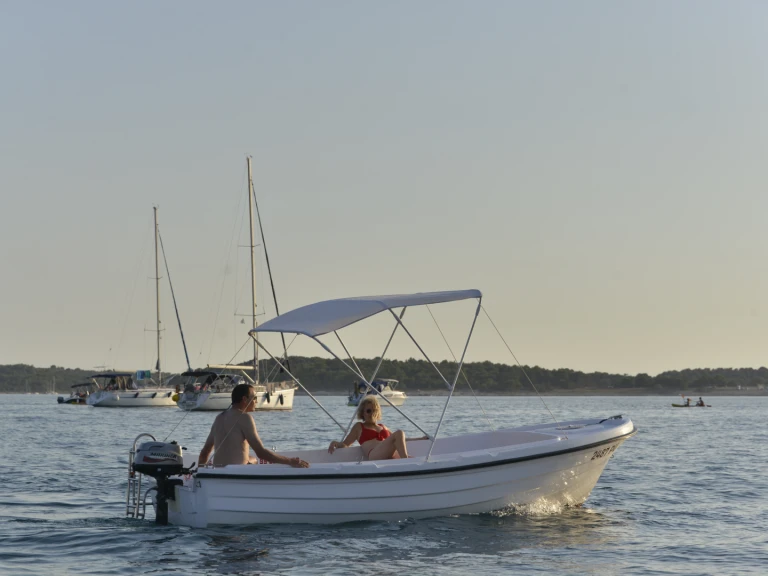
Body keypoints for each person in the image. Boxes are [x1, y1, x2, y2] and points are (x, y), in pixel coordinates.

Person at [198, 383, 309, 468]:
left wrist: (200, 474)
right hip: (236, 475)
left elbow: (204, 453)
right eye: (254, 397)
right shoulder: (245, 418)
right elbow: (261, 453)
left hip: (217, 474)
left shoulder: (219, 418)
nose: (256, 401)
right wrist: (290, 461)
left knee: (252, 459)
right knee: (254, 459)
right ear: (245, 399)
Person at [328, 396, 427, 460]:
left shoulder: (382, 427)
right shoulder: (359, 427)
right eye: (368, 411)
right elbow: (346, 444)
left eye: (374, 411)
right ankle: (406, 462)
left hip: (388, 455)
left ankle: (405, 461)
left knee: (400, 436)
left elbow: (401, 440)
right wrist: (335, 443)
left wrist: (420, 439)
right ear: (363, 413)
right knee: (399, 432)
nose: (372, 414)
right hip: (374, 455)